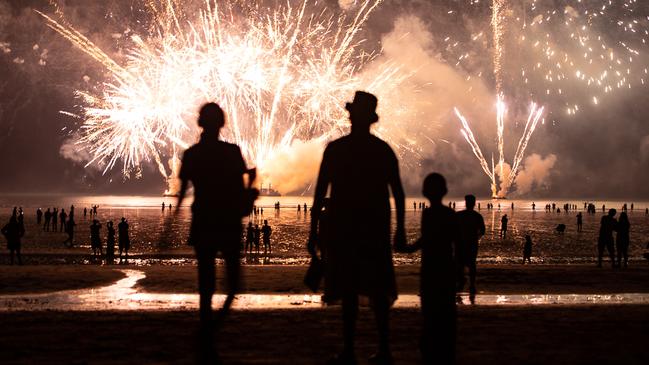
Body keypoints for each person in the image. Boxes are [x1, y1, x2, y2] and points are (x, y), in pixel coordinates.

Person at [308, 91, 405, 364]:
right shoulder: (382, 150)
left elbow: (318, 193)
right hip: (374, 227)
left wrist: (313, 232)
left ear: (351, 115)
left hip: (344, 228)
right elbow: (397, 192)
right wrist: (400, 230)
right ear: (372, 119)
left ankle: (350, 349)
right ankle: (383, 348)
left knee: (349, 290)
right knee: (377, 290)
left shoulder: (336, 149)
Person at [176, 102, 257, 327]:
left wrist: (169, 223)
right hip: (228, 221)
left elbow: (182, 193)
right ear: (222, 123)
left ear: (200, 122)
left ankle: (205, 324)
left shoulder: (192, 154)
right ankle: (215, 324)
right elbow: (242, 188)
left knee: (206, 281)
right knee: (232, 283)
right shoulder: (232, 152)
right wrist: (252, 188)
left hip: (203, 220)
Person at [399, 173, 459, 364]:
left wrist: (408, 249)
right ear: (445, 191)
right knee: (447, 313)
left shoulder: (428, 214)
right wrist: (458, 270)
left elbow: (425, 240)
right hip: (447, 269)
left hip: (430, 270)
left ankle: (430, 350)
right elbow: (456, 244)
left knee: (430, 314)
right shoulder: (450, 214)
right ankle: (445, 351)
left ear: (424, 192)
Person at [455, 194, 485, 304]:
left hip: (460, 245)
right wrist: (476, 238)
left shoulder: (458, 215)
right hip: (472, 244)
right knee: (472, 265)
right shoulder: (477, 216)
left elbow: (452, 229)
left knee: (459, 265)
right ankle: (472, 285)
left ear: (466, 203)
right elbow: (482, 231)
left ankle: (460, 283)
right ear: (474, 203)